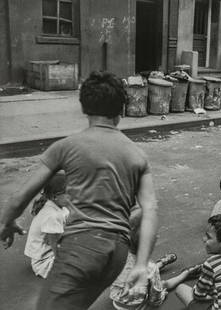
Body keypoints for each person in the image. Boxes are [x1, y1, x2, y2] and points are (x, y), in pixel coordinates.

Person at [0, 71, 160, 310]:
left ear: (84, 108)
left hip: (83, 247)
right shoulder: (138, 154)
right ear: (121, 110)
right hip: (117, 253)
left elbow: (20, 196)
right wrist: (140, 264)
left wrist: (7, 221)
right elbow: (150, 210)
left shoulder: (65, 147)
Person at [110, 206, 198, 310]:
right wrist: (162, 296)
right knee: (163, 284)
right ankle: (185, 274)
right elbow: (155, 299)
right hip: (136, 306)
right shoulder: (150, 268)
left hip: (117, 300)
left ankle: (162, 263)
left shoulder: (115, 254)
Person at [24, 171, 69, 279]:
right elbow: (54, 244)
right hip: (44, 262)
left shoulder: (58, 206)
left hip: (49, 253)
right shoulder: (52, 215)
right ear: (55, 196)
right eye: (69, 193)